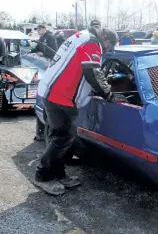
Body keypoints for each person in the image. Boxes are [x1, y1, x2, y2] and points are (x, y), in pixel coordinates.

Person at [33, 20, 123, 195]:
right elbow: (93, 73)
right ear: (106, 40)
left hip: (53, 91)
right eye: (109, 48)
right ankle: (42, 175)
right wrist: (110, 95)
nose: (108, 51)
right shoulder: (92, 43)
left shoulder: (83, 36)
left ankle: (58, 174)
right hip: (61, 96)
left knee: (57, 137)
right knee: (64, 137)